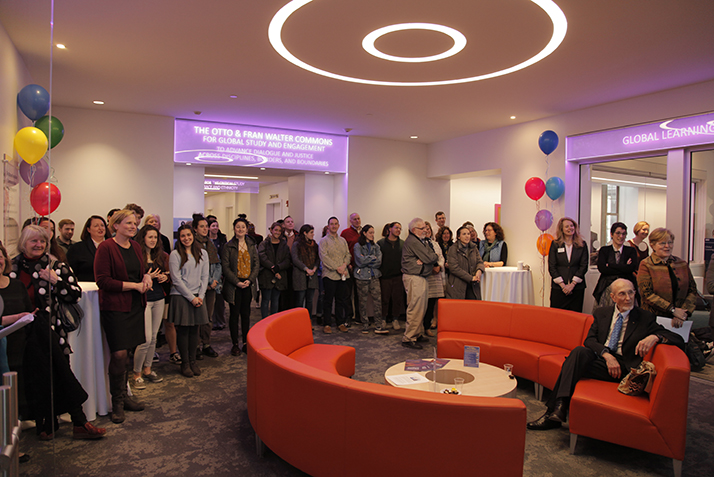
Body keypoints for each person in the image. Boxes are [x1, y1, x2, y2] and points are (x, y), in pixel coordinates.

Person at [527, 279, 684, 430]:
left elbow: (679, 339)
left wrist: (654, 337)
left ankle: (554, 412)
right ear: (613, 297)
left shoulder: (644, 317)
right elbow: (589, 340)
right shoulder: (602, 313)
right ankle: (558, 408)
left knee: (571, 364)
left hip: (624, 368)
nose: (628, 298)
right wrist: (607, 355)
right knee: (578, 352)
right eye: (622, 294)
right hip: (604, 361)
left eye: (631, 292)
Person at [5, 235, 106, 441]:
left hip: (51, 332)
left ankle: (78, 421)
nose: (39, 245)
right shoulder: (12, 268)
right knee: (36, 380)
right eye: (33, 241)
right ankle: (48, 424)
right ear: (22, 243)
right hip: (19, 335)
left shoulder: (56, 266)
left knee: (61, 373)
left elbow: (75, 295)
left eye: (42, 241)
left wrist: (55, 281)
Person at [94, 209, 151, 423]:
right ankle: (116, 401)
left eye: (135, 223)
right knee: (118, 355)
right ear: (115, 225)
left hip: (135, 306)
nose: (133, 226)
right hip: (116, 307)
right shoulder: (106, 248)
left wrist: (145, 278)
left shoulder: (136, 246)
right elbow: (103, 281)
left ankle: (125, 395)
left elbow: (140, 271)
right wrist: (134, 286)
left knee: (128, 352)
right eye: (128, 223)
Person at [167, 223, 209, 377]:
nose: (186, 238)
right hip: (181, 296)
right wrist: (192, 298)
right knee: (184, 331)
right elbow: (176, 280)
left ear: (193, 235)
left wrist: (201, 296)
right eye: (183, 236)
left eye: (189, 235)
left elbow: (205, 277)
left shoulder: (203, 253)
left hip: (198, 296)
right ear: (179, 238)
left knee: (195, 330)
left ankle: (193, 361)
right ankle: (185, 363)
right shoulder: (175, 254)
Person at [130, 225, 169, 390]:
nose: (153, 240)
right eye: (150, 237)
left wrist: (162, 277)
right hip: (143, 299)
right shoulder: (135, 255)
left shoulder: (159, 256)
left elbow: (167, 274)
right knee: (144, 339)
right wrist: (147, 276)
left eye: (155, 237)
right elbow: (132, 277)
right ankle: (136, 373)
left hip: (159, 298)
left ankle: (148, 369)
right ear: (143, 238)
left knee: (154, 337)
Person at [637, 228, 697, 327]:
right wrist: (672, 310)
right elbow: (647, 294)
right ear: (652, 245)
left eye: (670, 242)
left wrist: (682, 313)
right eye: (662, 243)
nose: (667, 246)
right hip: (654, 319)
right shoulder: (646, 264)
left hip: (680, 320)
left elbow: (692, 290)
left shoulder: (682, 264)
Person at [222, 217, 259, 356]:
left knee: (246, 314)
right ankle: (235, 344)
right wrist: (236, 281)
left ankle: (245, 342)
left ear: (247, 228)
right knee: (234, 315)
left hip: (248, 284)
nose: (241, 229)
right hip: (234, 285)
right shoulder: (228, 246)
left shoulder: (251, 245)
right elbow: (225, 267)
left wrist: (250, 280)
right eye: (238, 227)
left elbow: (256, 264)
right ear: (234, 228)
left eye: (243, 227)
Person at [401, 217, 438, 350]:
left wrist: (427, 260)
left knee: (421, 307)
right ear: (414, 230)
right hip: (414, 278)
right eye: (422, 228)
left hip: (420, 277)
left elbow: (433, 257)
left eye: (425, 228)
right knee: (415, 308)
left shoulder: (421, 241)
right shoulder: (413, 241)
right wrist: (428, 259)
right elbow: (431, 257)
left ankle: (416, 333)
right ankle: (409, 337)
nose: (425, 230)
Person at [592, 222, 639, 311]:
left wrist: (610, 265)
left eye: (624, 234)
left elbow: (631, 268)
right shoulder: (604, 250)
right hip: (607, 288)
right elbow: (603, 269)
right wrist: (624, 267)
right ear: (611, 234)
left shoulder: (631, 251)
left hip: (626, 288)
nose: (621, 236)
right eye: (618, 233)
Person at [193, 214, 221, 359]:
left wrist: (215, 280)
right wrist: (208, 282)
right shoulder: (192, 244)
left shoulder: (210, 244)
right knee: (198, 316)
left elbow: (217, 264)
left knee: (208, 317)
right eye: (202, 227)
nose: (205, 229)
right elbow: (196, 267)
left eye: (206, 226)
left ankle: (206, 344)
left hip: (212, 287)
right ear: (195, 229)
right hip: (198, 287)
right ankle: (196, 345)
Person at [548, 217, 589, 312]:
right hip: (559, 288)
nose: (570, 228)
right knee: (557, 316)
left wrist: (572, 285)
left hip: (577, 288)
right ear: (561, 229)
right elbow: (552, 266)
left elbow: (584, 266)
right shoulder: (555, 244)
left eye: (572, 226)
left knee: (575, 316)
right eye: (567, 226)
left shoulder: (582, 244)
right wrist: (563, 286)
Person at [354, 224, 389, 334]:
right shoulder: (357, 246)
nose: (373, 235)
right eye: (370, 232)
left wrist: (366, 259)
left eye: (373, 233)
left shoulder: (376, 246)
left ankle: (378, 325)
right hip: (362, 277)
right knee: (362, 301)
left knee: (378, 301)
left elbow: (379, 262)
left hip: (374, 276)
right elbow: (360, 261)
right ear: (364, 233)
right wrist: (371, 258)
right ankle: (365, 325)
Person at [319, 217, 351, 333]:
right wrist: (336, 268)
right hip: (330, 275)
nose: (333, 226)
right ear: (328, 226)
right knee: (328, 300)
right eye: (331, 224)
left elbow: (348, 255)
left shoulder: (343, 240)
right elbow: (324, 257)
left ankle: (340, 322)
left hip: (342, 275)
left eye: (336, 224)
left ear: (338, 226)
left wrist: (344, 266)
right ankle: (327, 323)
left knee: (341, 300)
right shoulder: (324, 241)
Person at [257, 222, 291, 319]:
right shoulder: (264, 244)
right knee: (265, 300)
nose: (277, 232)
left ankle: (273, 322)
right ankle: (264, 322)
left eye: (280, 231)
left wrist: (278, 267)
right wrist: (272, 267)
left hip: (279, 275)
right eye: (275, 230)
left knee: (275, 300)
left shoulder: (284, 245)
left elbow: (287, 260)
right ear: (271, 230)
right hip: (266, 275)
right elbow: (262, 257)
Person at [378, 222, 405, 330]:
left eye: (400, 228)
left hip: (398, 276)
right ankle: (383, 319)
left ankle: (395, 319)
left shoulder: (403, 244)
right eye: (396, 227)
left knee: (397, 299)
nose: (398, 230)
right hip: (385, 276)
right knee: (384, 299)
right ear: (390, 229)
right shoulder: (380, 243)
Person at [446, 226, 485, 300]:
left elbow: (480, 261)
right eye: (464, 234)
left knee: (473, 308)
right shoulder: (453, 249)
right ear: (459, 237)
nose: (467, 236)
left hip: (473, 285)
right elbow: (454, 268)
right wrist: (470, 278)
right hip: (458, 285)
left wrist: (479, 271)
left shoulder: (474, 248)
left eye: (468, 234)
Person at [67, 215, 110, 282]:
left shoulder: (113, 246)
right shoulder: (77, 248)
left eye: (102, 225)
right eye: (96, 226)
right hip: (87, 287)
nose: (100, 228)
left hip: (111, 286)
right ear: (88, 229)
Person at [292, 224, 319, 322]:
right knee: (300, 300)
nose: (313, 234)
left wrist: (314, 269)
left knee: (310, 300)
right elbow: (295, 259)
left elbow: (317, 258)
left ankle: (308, 321)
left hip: (312, 275)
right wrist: (306, 269)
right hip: (300, 275)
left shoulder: (314, 244)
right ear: (305, 233)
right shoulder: (297, 244)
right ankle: (298, 322)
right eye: (311, 232)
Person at [422, 222, 445, 336]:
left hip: (436, 276)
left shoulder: (435, 244)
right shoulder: (419, 244)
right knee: (423, 305)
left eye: (429, 228)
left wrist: (439, 266)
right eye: (425, 228)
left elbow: (441, 257)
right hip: (427, 276)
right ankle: (420, 328)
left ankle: (427, 327)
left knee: (432, 304)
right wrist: (431, 268)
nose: (427, 230)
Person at [341, 212, 362, 324]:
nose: (357, 221)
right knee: (347, 293)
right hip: (350, 267)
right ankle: (349, 316)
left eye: (358, 218)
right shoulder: (345, 233)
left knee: (359, 293)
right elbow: (343, 250)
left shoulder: (363, 232)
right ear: (350, 221)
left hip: (361, 268)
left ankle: (359, 316)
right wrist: (347, 263)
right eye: (354, 219)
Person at [208, 217, 228, 330]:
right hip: (209, 274)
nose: (215, 228)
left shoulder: (222, 239)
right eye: (213, 226)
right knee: (211, 301)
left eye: (217, 226)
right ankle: (212, 321)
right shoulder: (206, 241)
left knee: (220, 301)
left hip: (221, 273)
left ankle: (220, 321)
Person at [279, 215, 296, 311]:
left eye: (292, 222)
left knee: (292, 292)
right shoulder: (280, 237)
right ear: (284, 225)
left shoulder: (297, 237)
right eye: (288, 222)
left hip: (294, 268)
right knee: (283, 292)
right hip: (283, 267)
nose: (290, 223)